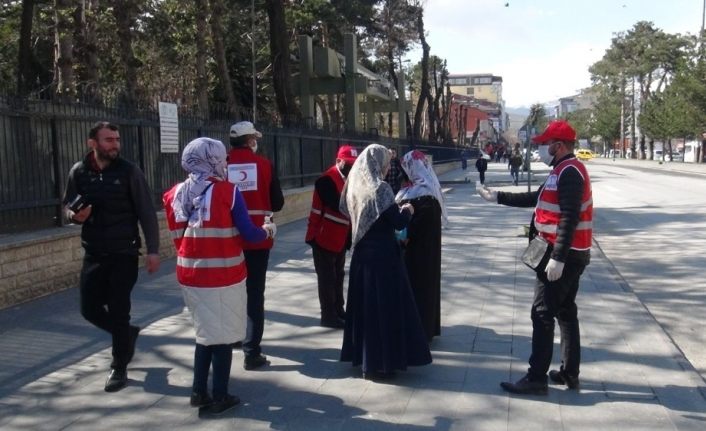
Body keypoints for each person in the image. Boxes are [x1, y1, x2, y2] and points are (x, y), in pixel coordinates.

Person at [477, 120, 592, 395]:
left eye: (544, 144)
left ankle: (536, 378)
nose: (540, 148)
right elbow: (536, 198)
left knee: (542, 313)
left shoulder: (570, 172)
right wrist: (498, 197)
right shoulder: (561, 170)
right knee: (565, 311)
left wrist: (559, 258)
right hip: (564, 252)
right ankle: (569, 372)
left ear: (559, 145)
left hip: (562, 253)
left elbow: (569, 217)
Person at [163, 137, 276, 415]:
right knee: (223, 337)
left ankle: (198, 391)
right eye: (223, 158)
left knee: (205, 334)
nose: (226, 162)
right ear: (211, 160)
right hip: (223, 274)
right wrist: (268, 230)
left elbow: (179, 238)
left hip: (190, 273)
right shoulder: (229, 192)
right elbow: (250, 234)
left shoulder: (174, 194)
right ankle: (220, 395)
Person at [62, 121, 160, 393]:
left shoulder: (130, 172)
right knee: (88, 309)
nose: (115, 144)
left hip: (124, 253)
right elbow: (67, 206)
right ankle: (126, 334)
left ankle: (119, 365)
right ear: (92, 143)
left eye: (116, 139)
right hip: (93, 252)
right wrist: (74, 216)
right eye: (108, 140)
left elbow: (146, 213)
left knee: (119, 309)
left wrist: (153, 250)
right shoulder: (78, 172)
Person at [340, 144, 432, 380]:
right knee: (383, 309)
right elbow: (398, 222)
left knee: (366, 308)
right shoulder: (380, 188)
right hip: (383, 257)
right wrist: (408, 210)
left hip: (362, 255)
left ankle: (365, 359)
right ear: (377, 162)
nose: (388, 166)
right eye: (387, 161)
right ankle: (383, 362)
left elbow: (345, 211)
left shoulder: (354, 186)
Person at [227, 121, 285, 370]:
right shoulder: (264, 164)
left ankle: (233, 336)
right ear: (250, 140)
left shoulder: (222, 165)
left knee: (231, 290)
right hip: (259, 237)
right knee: (254, 292)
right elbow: (278, 202)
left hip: (228, 239)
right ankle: (252, 352)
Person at [396, 150, 449, 342]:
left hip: (418, 254)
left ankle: (420, 331)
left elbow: (416, 228)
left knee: (419, 291)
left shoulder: (426, 195)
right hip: (417, 253)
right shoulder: (417, 191)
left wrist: (403, 235)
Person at [305, 145, 359, 328]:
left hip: (339, 238)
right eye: (349, 164)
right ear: (339, 161)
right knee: (327, 278)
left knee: (338, 276)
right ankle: (328, 315)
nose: (352, 168)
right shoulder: (326, 180)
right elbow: (339, 205)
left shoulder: (349, 179)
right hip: (322, 237)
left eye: (354, 164)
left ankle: (339, 309)